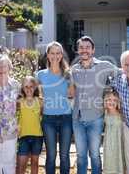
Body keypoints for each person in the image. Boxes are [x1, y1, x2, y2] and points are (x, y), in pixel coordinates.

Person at [71, 36, 118, 174]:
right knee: (80, 156)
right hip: (77, 119)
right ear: (78, 50)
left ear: (93, 50)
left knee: (95, 155)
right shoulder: (74, 69)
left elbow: (122, 73)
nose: (84, 50)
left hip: (95, 119)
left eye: (87, 47)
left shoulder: (104, 66)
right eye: (81, 47)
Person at [35, 41, 74, 174]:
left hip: (66, 118)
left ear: (61, 55)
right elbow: (34, 95)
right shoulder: (40, 75)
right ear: (48, 55)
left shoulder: (68, 74)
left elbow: (72, 95)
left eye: (58, 53)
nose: (55, 56)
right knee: (51, 156)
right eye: (52, 53)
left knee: (64, 155)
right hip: (48, 119)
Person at [16, 76, 43, 174]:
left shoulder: (40, 101)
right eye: (26, 86)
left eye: (31, 86)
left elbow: (44, 116)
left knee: (35, 163)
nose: (28, 89)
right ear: (22, 88)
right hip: (23, 136)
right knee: (21, 164)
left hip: (37, 136)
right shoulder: (19, 102)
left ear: (35, 87)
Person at [102, 87, 124, 174]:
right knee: (109, 162)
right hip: (108, 144)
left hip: (119, 143)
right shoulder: (105, 113)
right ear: (105, 101)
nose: (112, 102)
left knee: (119, 162)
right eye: (109, 99)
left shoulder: (121, 115)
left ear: (118, 102)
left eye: (115, 100)